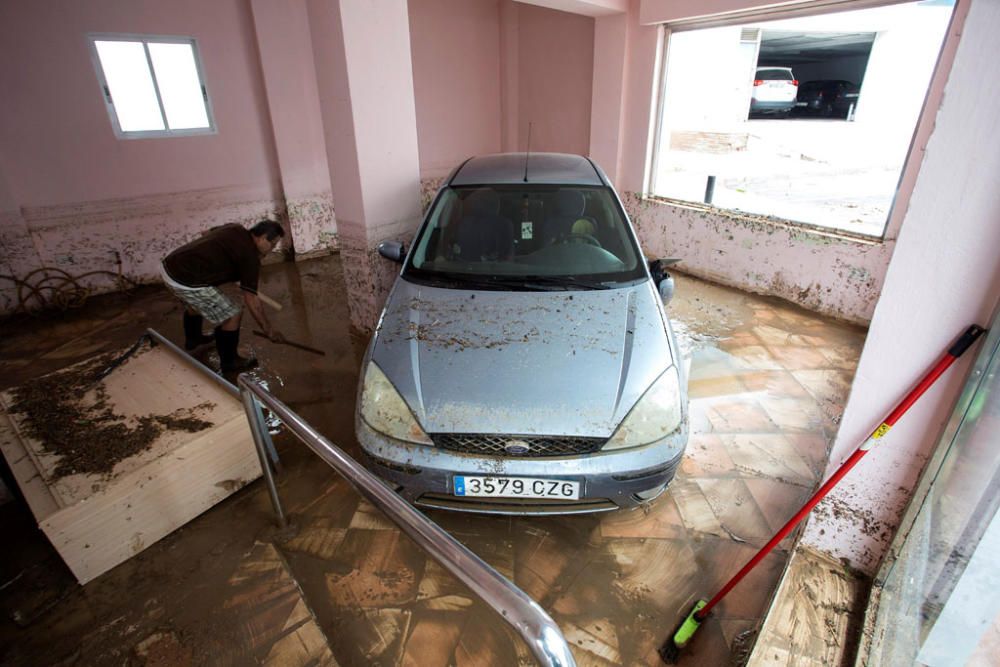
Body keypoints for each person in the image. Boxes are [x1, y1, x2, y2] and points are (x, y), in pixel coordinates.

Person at [161, 220, 285, 373]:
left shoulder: (235, 228)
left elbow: (206, 233)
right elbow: (252, 299)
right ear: (262, 237)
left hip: (170, 265)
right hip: (184, 280)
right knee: (233, 313)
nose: (272, 249)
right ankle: (230, 361)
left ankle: (194, 340)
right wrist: (269, 330)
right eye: (272, 244)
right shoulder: (250, 256)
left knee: (196, 303)